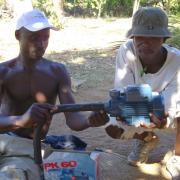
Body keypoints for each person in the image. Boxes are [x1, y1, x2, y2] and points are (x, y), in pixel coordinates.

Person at [0, 9, 109, 179]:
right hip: (4, 139)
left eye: (46, 37)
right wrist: (21, 120)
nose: (41, 44)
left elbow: (73, 120)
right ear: (17, 35)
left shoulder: (57, 71)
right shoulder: (3, 72)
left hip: (28, 147)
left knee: (11, 176)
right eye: (34, 37)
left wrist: (89, 120)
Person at [105, 7, 180, 179]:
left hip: (163, 110)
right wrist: (140, 117)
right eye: (140, 36)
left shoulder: (177, 61)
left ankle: (178, 157)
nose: (145, 42)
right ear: (133, 37)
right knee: (112, 128)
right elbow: (124, 92)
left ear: (164, 39)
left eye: (153, 38)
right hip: (139, 106)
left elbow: (172, 101)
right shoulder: (126, 51)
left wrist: (160, 119)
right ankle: (146, 139)